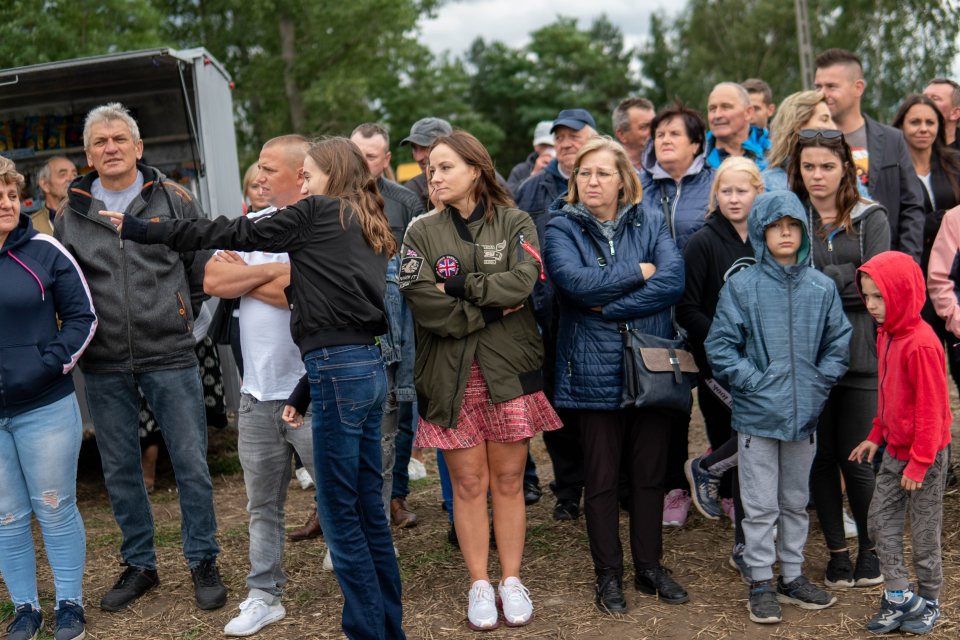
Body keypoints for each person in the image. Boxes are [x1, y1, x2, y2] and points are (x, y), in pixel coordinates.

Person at [110, 136, 404, 640]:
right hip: (363, 370)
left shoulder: (314, 213)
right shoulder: (364, 220)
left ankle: (366, 631)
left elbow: (227, 229)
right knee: (365, 512)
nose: (304, 184)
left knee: (342, 514)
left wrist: (140, 227)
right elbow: (343, 324)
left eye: (308, 175)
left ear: (330, 175)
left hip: (338, 375)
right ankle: (388, 628)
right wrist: (303, 393)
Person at [53, 102, 226, 612]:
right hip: (104, 359)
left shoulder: (173, 199)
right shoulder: (73, 211)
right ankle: (140, 564)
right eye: (100, 142)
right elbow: (68, 282)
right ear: (88, 154)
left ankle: (202, 559)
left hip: (170, 351)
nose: (110, 148)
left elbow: (200, 265)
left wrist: (181, 317)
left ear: (138, 147)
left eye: (119, 139)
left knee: (191, 460)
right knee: (120, 466)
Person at [401, 130, 561, 630]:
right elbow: (424, 302)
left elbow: (524, 281)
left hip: (507, 370)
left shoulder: (516, 222)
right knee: (469, 484)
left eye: (445, 166)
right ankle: (479, 582)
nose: (435, 175)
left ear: (476, 169)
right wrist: (488, 313)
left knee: (510, 480)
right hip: (451, 374)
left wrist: (464, 286)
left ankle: (511, 580)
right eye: (432, 169)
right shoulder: (420, 231)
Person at [544, 136, 688, 613]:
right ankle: (608, 575)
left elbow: (673, 281)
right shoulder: (561, 225)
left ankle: (649, 567)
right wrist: (638, 272)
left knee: (648, 476)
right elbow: (576, 284)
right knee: (602, 480)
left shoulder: (650, 221)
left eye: (603, 173)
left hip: (648, 363)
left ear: (624, 180)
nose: (592, 181)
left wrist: (609, 307)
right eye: (584, 174)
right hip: (591, 367)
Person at [705, 191, 851, 625]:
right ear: (761, 232)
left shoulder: (821, 287)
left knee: (794, 499)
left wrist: (817, 382)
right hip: (756, 417)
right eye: (776, 226)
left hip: (804, 416)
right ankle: (761, 581)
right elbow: (720, 346)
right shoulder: (742, 286)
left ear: (805, 232)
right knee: (760, 502)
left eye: (793, 226)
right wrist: (755, 382)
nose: (785, 234)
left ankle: (791, 574)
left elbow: (838, 343)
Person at [198, 134, 316, 636]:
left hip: (311, 393)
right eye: (259, 169)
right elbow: (212, 282)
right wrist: (274, 273)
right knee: (262, 505)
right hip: (255, 395)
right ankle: (264, 594)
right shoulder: (253, 227)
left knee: (341, 494)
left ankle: (361, 577)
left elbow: (305, 296)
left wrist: (248, 271)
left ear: (300, 174)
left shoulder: (319, 229)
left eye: (269, 168)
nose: (259, 177)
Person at [788, 128, 889, 589]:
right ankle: (837, 553)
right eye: (809, 166)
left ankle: (872, 548)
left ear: (846, 167)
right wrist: (846, 277)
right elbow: (785, 281)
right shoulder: (792, 216)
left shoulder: (871, 217)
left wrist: (820, 280)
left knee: (859, 460)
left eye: (827, 166)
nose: (817, 175)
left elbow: (878, 284)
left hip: (864, 354)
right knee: (821, 459)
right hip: (808, 356)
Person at [0, 157, 96, 640]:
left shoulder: (45, 250)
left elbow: (84, 317)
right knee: (6, 516)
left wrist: (46, 363)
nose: (6, 203)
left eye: (12, 195)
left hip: (44, 406)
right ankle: (25, 610)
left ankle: (69, 605)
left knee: (55, 508)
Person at [851, 251, 952, 635]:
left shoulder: (922, 344)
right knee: (878, 522)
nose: (872, 306)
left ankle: (928, 600)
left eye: (880, 297)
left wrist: (921, 461)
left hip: (925, 457)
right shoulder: (887, 334)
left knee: (925, 534)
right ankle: (898, 597)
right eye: (868, 296)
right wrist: (876, 434)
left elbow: (932, 410)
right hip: (895, 451)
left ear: (904, 293)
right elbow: (889, 395)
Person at [678, 157, 762, 572]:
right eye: (725, 191)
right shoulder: (703, 242)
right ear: (715, 195)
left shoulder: (767, 238)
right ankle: (746, 544)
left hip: (764, 363)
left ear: (757, 193)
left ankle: (750, 540)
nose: (733, 198)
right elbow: (687, 307)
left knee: (759, 444)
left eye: (741, 190)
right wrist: (725, 342)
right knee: (754, 436)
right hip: (720, 364)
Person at [516, 107, 597, 521]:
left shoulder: (606, 181)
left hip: (595, 314)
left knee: (598, 404)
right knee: (554, 402)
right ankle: (568, 488)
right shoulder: (532, 190)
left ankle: (607, 483)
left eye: (575, 136)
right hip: (544, 314)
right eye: (560, 137)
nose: (566, 143)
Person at [639, 100, 713, 526]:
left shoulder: (715, 182)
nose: (664, 140)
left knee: (720, 400)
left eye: (674, 134)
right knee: (670, 403)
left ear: (696, 144)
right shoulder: (639, 185)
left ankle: (723, 483)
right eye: (659, 134)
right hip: (657, 312)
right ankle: (675, 488)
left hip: (705, 307)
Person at [351, 122, 425, 529]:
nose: (363, 163)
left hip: (400, 319)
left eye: (371, 155)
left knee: (400, 406)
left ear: (385, 160)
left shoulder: (404, 201)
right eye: (357, 153)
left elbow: (417, 263)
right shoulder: (333, 200)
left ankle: (395, 496)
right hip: (353, 319)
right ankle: (334, 508)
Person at [814, 48, 925, 260]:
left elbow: (912, 207)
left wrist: (906, 262)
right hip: (828, 267)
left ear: (858, 88)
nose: (822, 94)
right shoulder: (808, 142)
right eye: (818, 86)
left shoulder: (892, 140)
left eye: (831, 86)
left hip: (883, 261)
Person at [892, 93, 960, 271]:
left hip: (954, 267)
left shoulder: (955, 163)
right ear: (901, 125)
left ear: (939, 125)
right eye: (915, 122)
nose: (923, 129)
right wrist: (933, 221)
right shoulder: (891, 170)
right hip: (915, 265)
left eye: (930, 122)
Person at [763, 90, 836, 191]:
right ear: (798, 126)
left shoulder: (845, 175)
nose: (834, 127)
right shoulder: (768, 185)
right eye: (824, 119)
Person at [704, 82, 771, 170]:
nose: (717, 115)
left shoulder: (776, 155)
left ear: (748, 113)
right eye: (712, 109)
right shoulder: (694, 157)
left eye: (726, 107)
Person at [401, 117, 454, 210]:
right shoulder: (411, 191)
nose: (418, 157)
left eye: (425, 147)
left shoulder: (475, 182)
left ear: (449, 146)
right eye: (414, 148)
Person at [506, 121, 555, 194]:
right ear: (535, 146)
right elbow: (508, 197)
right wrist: (534, 174)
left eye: (551, 146)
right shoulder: (520, 171)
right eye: (543, 145)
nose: (547, 150)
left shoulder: (565, 170)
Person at [32, 156, 77, 235]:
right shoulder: (32, 226)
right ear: (45, 184)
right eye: (63, 174)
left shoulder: (87, 216)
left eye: (74, 174)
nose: (71, 179)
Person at [612, 97, 656, 171]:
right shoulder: (610, 170)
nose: (655, 131)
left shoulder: (668, 165)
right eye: (644, 127)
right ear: (622, 135)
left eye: (655, 125)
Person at [923, 78, 960, 151]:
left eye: (935, 98)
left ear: (955, 114)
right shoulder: (901, 146)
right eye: (924, 97)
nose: (924, 102)